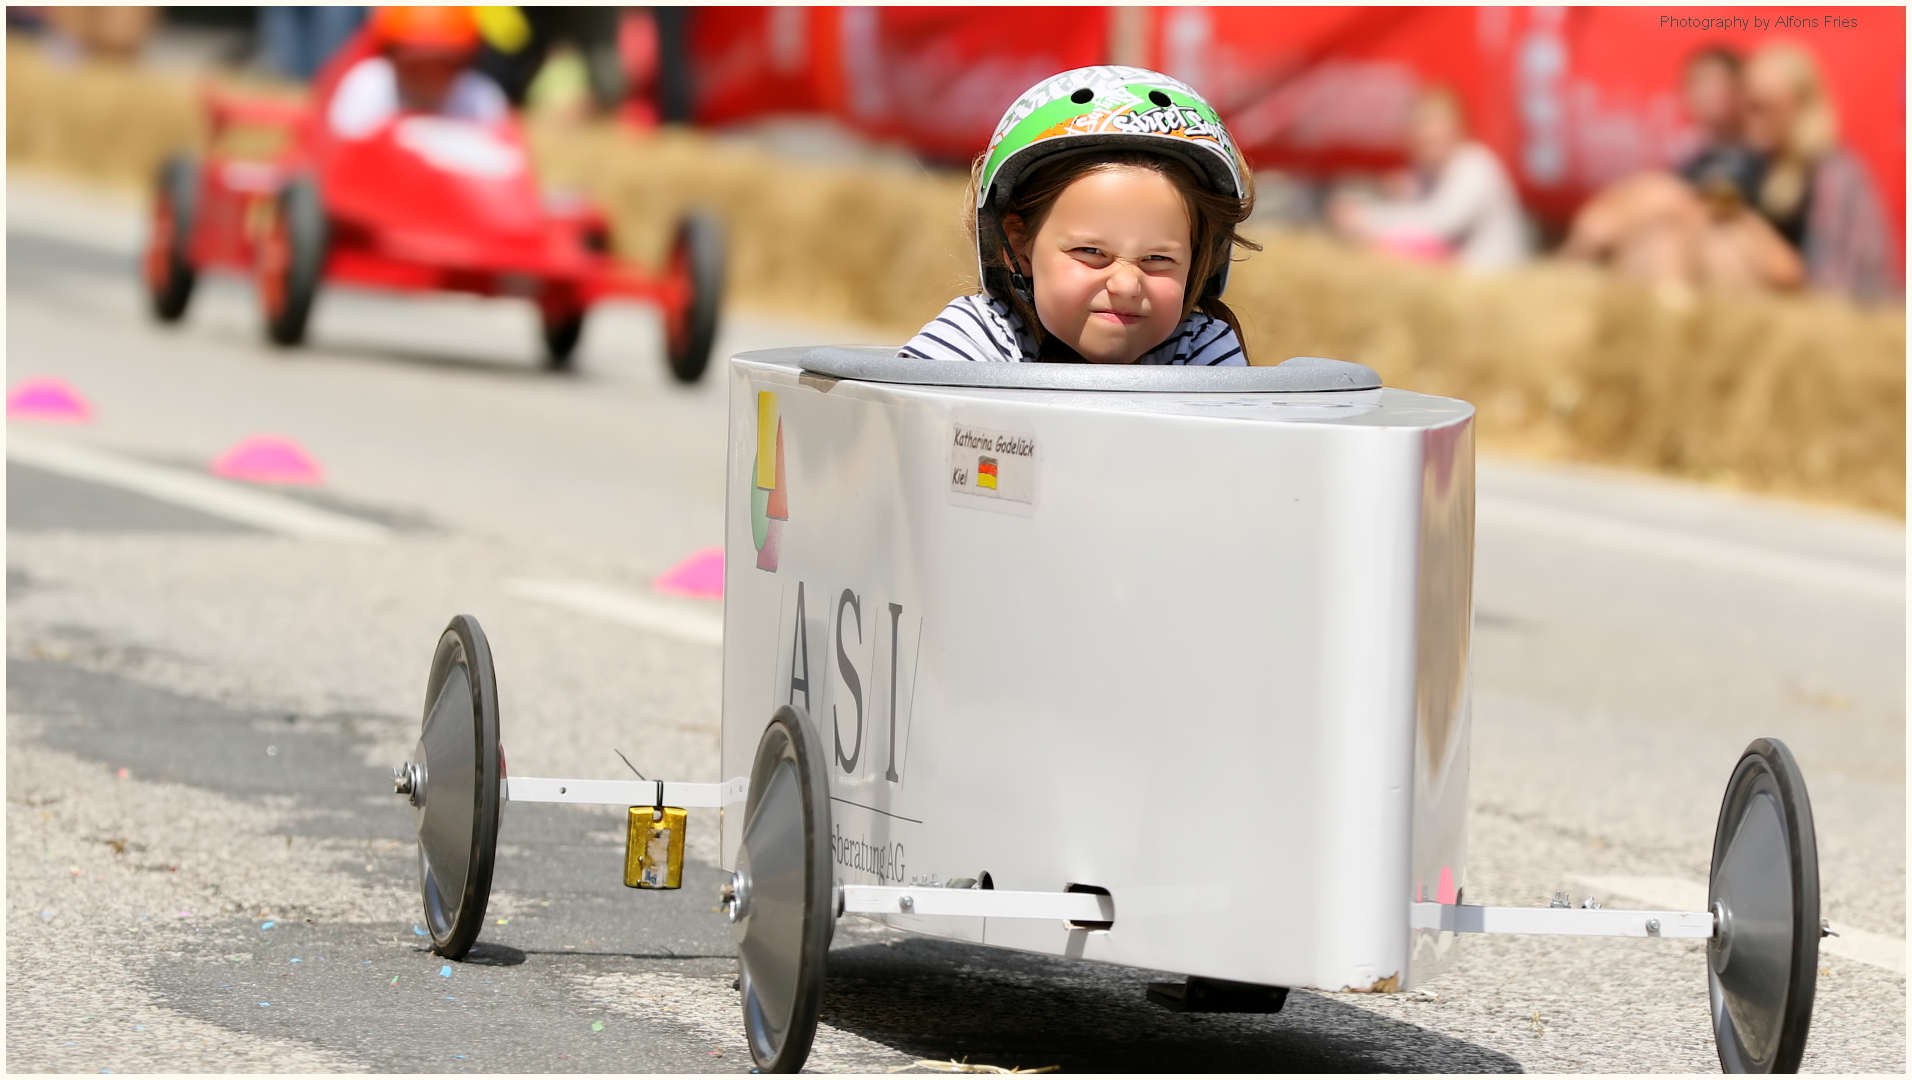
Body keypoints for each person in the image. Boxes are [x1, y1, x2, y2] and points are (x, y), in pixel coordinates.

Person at [901, 67, 1260, 365]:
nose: (1126, 285)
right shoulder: (978, 338)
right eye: (1091, 252)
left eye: (1157, 258)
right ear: (1020, 246)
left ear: (1199, 260)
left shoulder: (1198, 350)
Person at [1742, 43, 1900, 303]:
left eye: (1766, 105)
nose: (1753, 116)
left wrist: (1742, 222)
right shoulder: (1750, 165)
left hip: (1831, 321)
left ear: (1801, 106)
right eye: (1748, 104)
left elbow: (1835, 284)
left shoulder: (1835, 174)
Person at [1328, 88, 1530, 271]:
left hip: (1491, 287)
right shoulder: (1426, 174)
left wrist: (1366, 218)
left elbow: (1439, 224)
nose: (1428, 133)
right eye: (1421, 126)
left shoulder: (1475, 165)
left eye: (1435, 124)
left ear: (1457, 128)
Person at [327, 6, 509, 140]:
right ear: (393, 58)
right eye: (416, 64)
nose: (428, 75)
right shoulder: (368, 88)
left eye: (441, 63)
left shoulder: (480, 100)